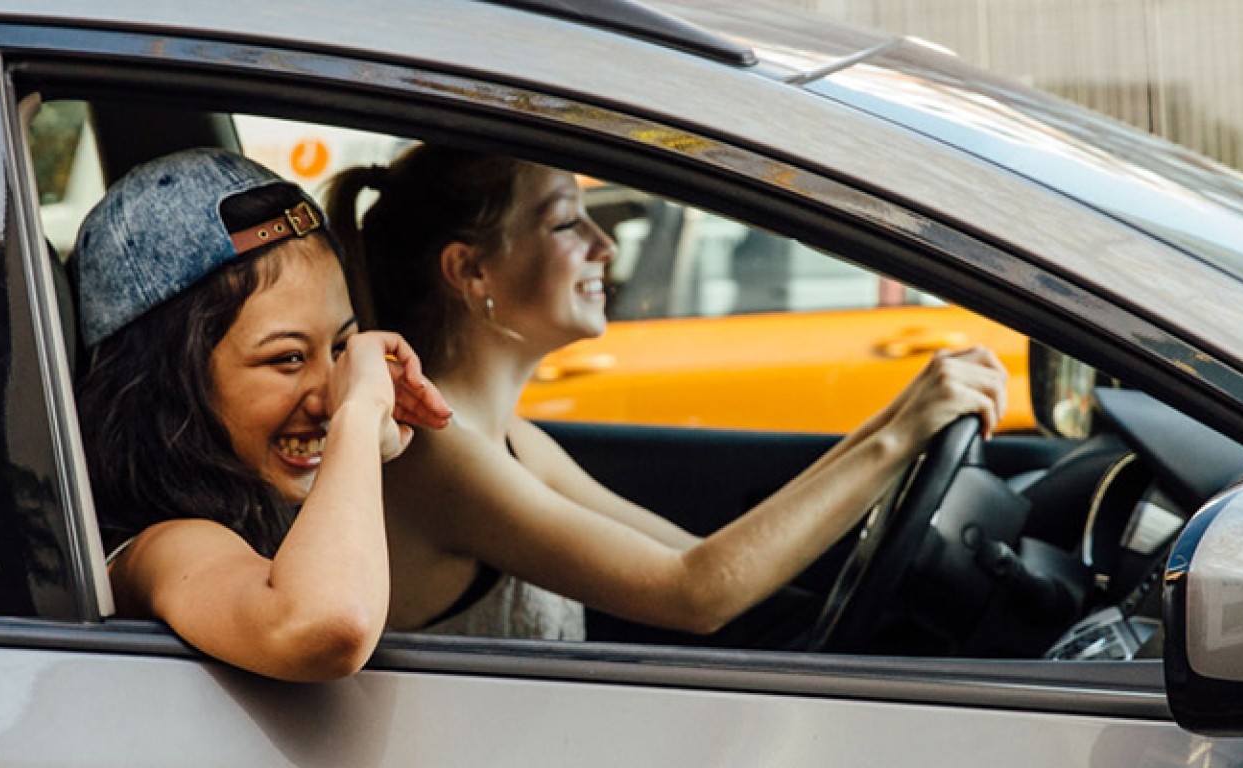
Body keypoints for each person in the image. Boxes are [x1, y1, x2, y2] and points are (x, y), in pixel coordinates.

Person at [325, 146, 1006, 644]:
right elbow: (695, 592)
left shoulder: (509, 441)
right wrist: (900, 433)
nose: (605, 244)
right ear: (470, 270)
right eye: (566, 223)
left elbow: (698, 556)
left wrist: (902, 420)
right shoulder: (435, 453)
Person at [73, 148, 451, 681]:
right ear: (172, 384)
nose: (329, 395)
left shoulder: (258, 503)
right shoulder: (163, 548)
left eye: (343, 347)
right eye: (287, 358)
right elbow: (327, 623)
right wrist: (359, 418)